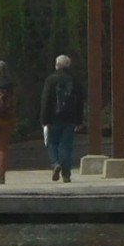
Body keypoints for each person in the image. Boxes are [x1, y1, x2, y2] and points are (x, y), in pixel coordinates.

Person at [38, 54, 86, 183]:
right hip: (70, 118)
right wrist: (79, 120)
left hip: (53, 118)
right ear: (68, 65)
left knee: (52, 143)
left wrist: (43, 119)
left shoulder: (51, 80)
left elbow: (46, 100)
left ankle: (55, 163)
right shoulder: (74, 80)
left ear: (56, 65)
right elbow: (80, 101)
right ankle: (66, 174)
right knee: (66, 146)